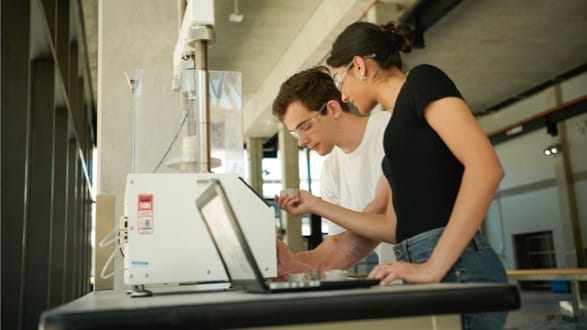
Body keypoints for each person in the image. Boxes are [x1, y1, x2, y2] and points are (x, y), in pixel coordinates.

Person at [276, 21, 507, 330]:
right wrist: (313, 205)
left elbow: (485, 167)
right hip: (418, 266)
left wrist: (432, 267)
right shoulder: (394, 136)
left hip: (453, 268)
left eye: (339, 79)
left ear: (359, 66)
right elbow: (387, 224)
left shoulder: (423, 81)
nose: (343, 95)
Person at [271, 66, 394, 277]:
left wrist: (316, 271)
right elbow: (338, 242)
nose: (301, 141)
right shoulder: (331, 169)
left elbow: (379, 217)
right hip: (399, 282)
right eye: (294, 133)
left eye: (305, 127)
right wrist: (285, 262)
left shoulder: (389, 131)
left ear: (333, 109)